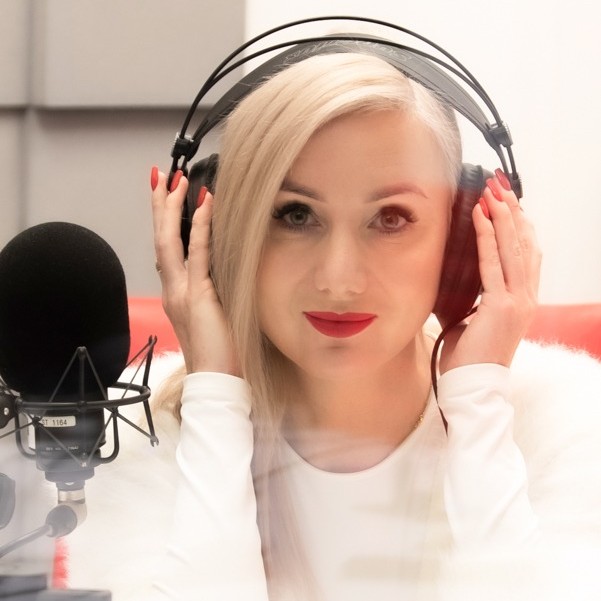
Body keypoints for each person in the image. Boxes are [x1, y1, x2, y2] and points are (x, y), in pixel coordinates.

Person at [65, 49, 601, 601]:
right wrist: (216, 402)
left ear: (462, 240)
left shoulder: (563, 425)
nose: (339, 280)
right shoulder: (141, 434)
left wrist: (478, 407)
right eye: (296, 214)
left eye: (390, 218)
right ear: (223, 233)